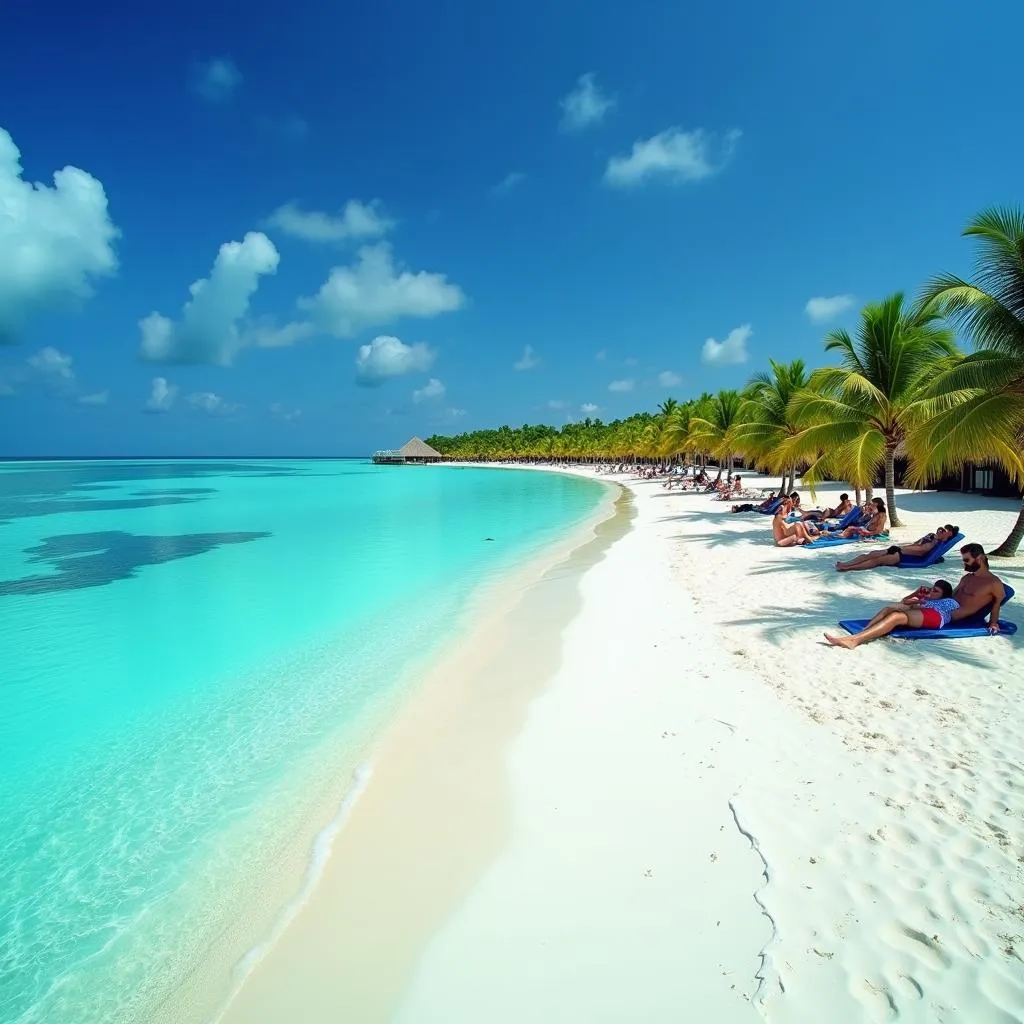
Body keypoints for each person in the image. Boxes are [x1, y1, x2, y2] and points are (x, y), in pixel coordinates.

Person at [824, 579, 959, 648]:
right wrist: (917, 593)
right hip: (924, 612)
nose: (932, 592)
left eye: (936, 591)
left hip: (934, 616)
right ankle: (864, 631)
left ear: (944, 595)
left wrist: (920, 602)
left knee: (896, 617)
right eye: (932, 589)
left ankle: (855, 641)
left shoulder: (949, 602)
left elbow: (957, 611)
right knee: (888, 609)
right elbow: (904, 601)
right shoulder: (926, 599)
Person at [835, 524, 958, 573]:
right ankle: (847, 564)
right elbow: (916, 544)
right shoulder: (932, 536)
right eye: (941, 528)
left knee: (877, 560)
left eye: (944, 530)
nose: (941, 530)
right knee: (871, 554)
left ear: (949, 534)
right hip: (901, 550)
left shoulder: (935, 542)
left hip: (903, 555)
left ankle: (849, 567)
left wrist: (901, 549)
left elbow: (922, 551)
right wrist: (902, 547)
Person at [949, 543, 1006, 634]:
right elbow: (950, 595)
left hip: (948, 616)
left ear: (980, 559)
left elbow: (997, 605)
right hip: (941, 607)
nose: (964, 563)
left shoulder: (993, 583)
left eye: (966, 560)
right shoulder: (967, 578)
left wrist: (993, 623)